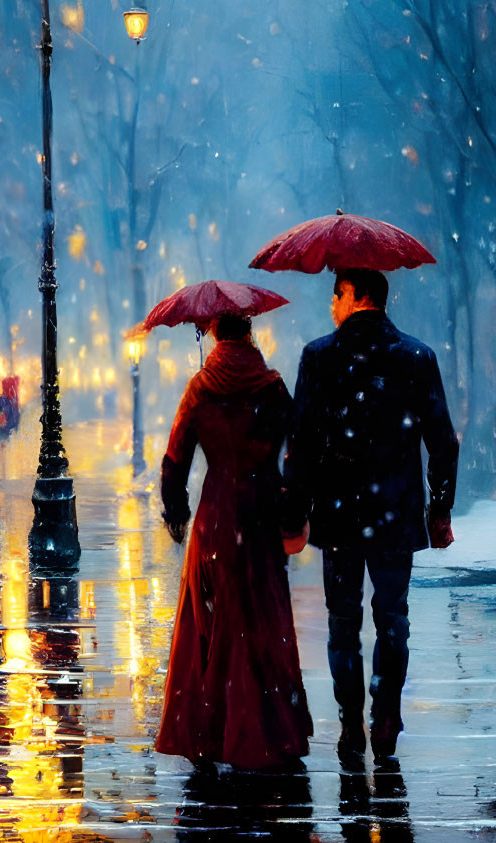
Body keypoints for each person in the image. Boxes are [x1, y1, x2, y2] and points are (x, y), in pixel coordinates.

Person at [282, 267, 458, 766]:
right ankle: (384, 715)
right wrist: (438, 510)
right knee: (393, 619)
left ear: (357, 296)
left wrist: (294, 512)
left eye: (336, 294)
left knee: (342, 622)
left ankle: (349, 722)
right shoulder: (416, 358)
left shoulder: (320, 357)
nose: (332, 305)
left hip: (338, 516)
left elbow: (302, 446)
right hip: (395, 515)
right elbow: (442, 443)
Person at [156, 311, 313, 770]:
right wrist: (292, 509)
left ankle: (211, 733)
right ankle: (267, 731)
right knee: (263, 624)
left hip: (217, 520)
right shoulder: (272, 386)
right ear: (249, 333)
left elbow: (175, 460)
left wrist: (177, 514)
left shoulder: (201, 389)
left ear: (214, 335)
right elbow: (297, 451)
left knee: (213, 626)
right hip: (260, 517)